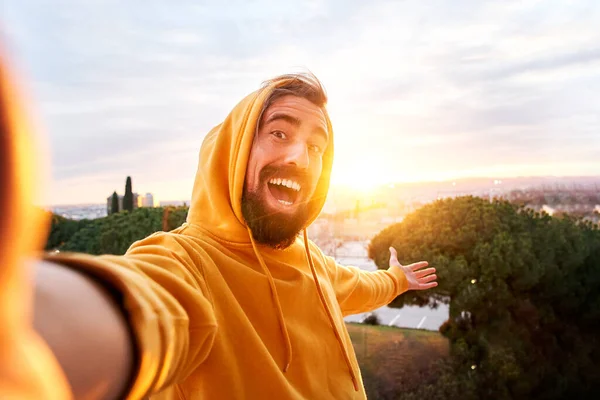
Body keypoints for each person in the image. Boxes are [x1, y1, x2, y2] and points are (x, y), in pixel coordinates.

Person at [1, 55, 437, 400]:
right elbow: (144, 305)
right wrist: (19, 328)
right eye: (280, 134)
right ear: (234, 150)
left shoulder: (313, 265)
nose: (301, 159)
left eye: (317, 146)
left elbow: (360, 287)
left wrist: (398, 279)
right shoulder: (187, 264)